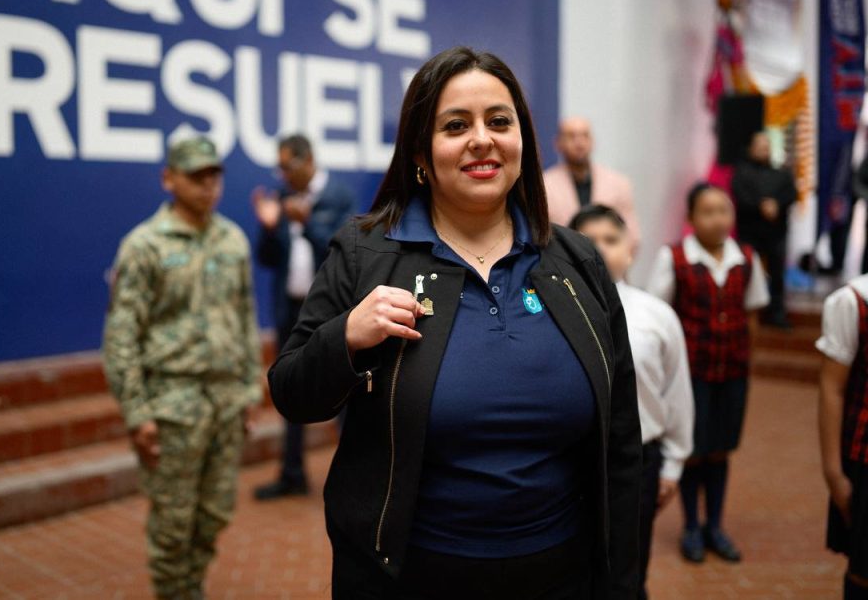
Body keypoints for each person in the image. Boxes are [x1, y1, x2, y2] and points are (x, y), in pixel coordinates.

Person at [268, 46, 641, 599]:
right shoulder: (364, 252)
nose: (482, 140)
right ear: (422, 150)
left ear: (522, 140)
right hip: (409, 579)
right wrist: (344, 337)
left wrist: (625, 585)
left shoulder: (578, 261)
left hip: (565, 575)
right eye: (455, 125)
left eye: (499, 121)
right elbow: (293, 393)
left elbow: (622, 444)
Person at [102, 136, 263, 600]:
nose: (208, 185)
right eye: (196, 176)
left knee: (214, 514)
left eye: (214, 175)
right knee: (173, 525)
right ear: (168, 179)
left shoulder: (232, 239)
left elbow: (245, 316)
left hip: (225, 403)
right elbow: (121, 335)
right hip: (172, 406)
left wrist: (251, 389)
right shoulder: (143, 246)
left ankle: (191, 589)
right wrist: (137, 412)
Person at [570, 205, 694, 600]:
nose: (601, 250)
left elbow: (676, 392)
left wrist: (674, 464)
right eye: (589, 240)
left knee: (627, 570)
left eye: (611, 239)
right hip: (570, 459)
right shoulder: (549, 312)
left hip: (639, 461)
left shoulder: (657, 316)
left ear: (631, 249)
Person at [648, 183, 769, 566]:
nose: (718, 219)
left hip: (732, 372)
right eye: (708, 211)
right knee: (694, 450)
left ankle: (716, 525)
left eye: (724, 210)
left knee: (720, 449)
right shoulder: (675, 258)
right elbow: (658, 313)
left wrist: (746, 359)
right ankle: (691, 527)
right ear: (690, 218)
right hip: (691, 375)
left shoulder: (746, 258)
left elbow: (753, 314)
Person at [251, 134, 356, 500]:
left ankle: (355, 476)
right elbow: (267, 259)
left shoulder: (339, 196)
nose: (282, 175)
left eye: (287, 166)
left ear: (307, 159)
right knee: (290, 388)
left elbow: (344, 255)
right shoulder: (281, 197)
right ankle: (292, 473)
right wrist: (267, 227)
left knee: (345, 392)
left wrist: (308, 223)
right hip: (290, 310)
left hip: (331, 313)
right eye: (278, 167)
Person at [816, 274, 868, 600]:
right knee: (864, 572)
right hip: (865, 458)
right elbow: (832, 388)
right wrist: (833, 471)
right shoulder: (855, 301)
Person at [731, 131, 797, 328]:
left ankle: (776, 312)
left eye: (766, 146)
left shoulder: (782, 173)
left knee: (777, 273)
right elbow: (740, 197)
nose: (763, 150)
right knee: (747, 274)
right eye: (759, 146)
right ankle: (744, 313)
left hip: (776, 234)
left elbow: (791, 194)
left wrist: (777, 204)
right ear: (751, 149)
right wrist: (761, 206)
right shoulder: (741, 173)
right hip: (750, 232)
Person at [543, 117, 641, 250]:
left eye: (585, 135)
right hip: (561, 266)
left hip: (608, 266)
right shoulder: (543, 185)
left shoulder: (618, 184)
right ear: (558, 143)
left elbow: (632, 237)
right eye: (571, 136)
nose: (579, 143)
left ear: (592, 141)